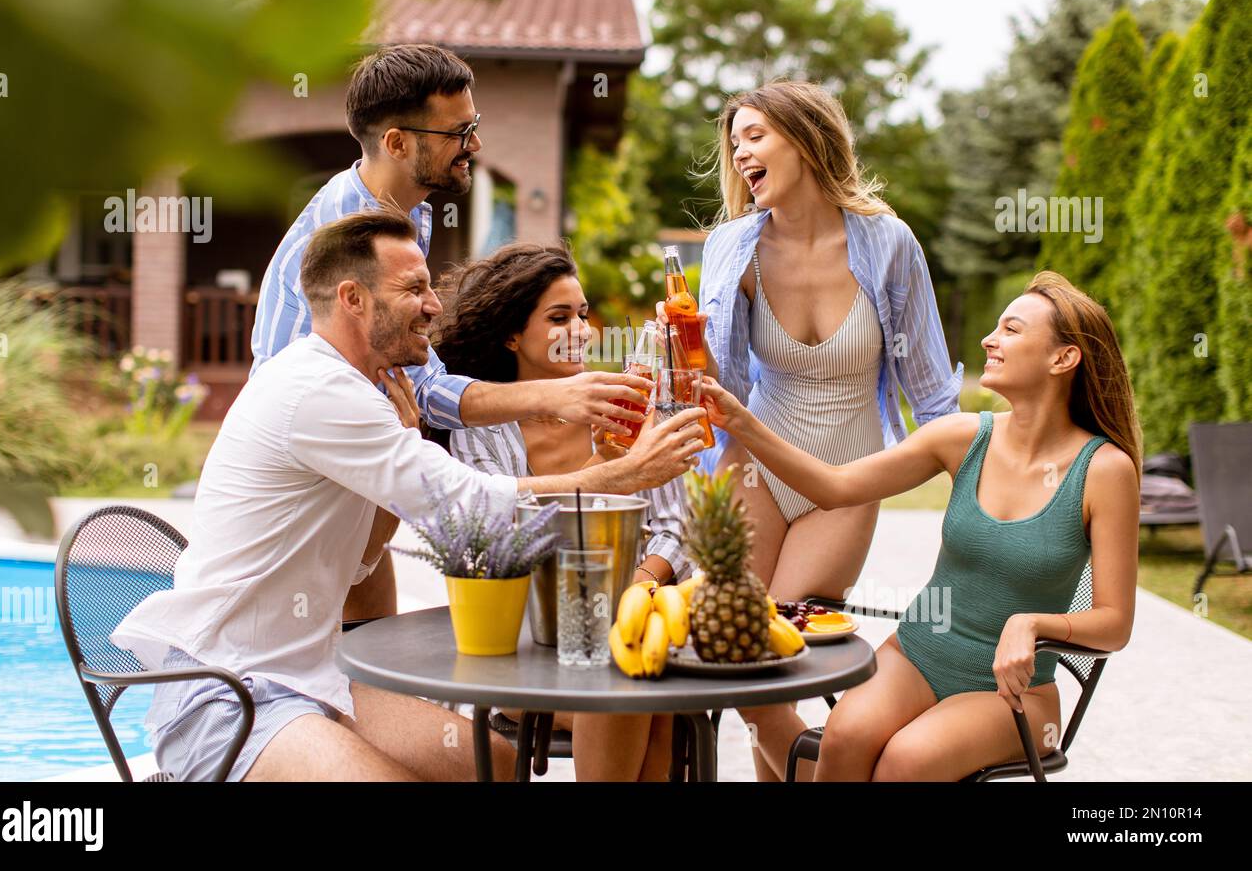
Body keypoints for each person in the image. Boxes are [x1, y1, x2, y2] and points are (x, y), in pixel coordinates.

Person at [111, 208, 707, 782]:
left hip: (314, 675)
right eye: (415, 288)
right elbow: (470, 504)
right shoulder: (315, 388)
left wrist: (399, 457)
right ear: (353, 299)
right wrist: (620, 477)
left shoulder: (363, 391)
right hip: (232, 692)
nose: (434, 304)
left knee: (496, 767)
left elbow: (365, 556)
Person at [252, 44, 652, 621]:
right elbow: (434, 411)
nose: (476, 145)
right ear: (397, 142)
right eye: (458, 132)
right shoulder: (348, 235)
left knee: (370, 645)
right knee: (324, 657)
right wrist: (559, 397)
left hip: (363, 455)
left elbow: (423, 382)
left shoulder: (413, 212)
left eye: (476, 126)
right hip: (313, 470)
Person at [699, 271, 1141, 781]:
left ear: (1063, 359)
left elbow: (1114, 623)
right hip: (918, 654)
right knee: (842, 739)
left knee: (904, 762)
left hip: (1014, 696)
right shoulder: (960, 437)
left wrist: (1032, 623)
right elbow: (833, 487)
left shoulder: (1104, 471)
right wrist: (739, 421)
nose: (988, 340)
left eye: (1012, 330)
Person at [661, 79, 962, 780]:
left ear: (804, 137)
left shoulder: (888, 242)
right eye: (734, 142)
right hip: (754, 459)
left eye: (755, 136)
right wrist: (677, 364)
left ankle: (814, 773)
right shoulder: (733, 247)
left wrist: (974, 493)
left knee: (779, 655)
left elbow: (932, 391)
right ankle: (816, 772)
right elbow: (719, 388)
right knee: (735, 650)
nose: (740, 154)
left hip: (848, 474)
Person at [431, 242, 688, 781]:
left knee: (647, 692)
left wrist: (638, 587)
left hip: (629, 629)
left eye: (584, 314)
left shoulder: (626, 402)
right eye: (558, 317)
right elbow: (502, 537)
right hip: (529, 640)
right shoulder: (483, 430)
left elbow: (675, 527)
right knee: (642, 699)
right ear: (511, 335)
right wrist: (604, 466)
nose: (581, 330)